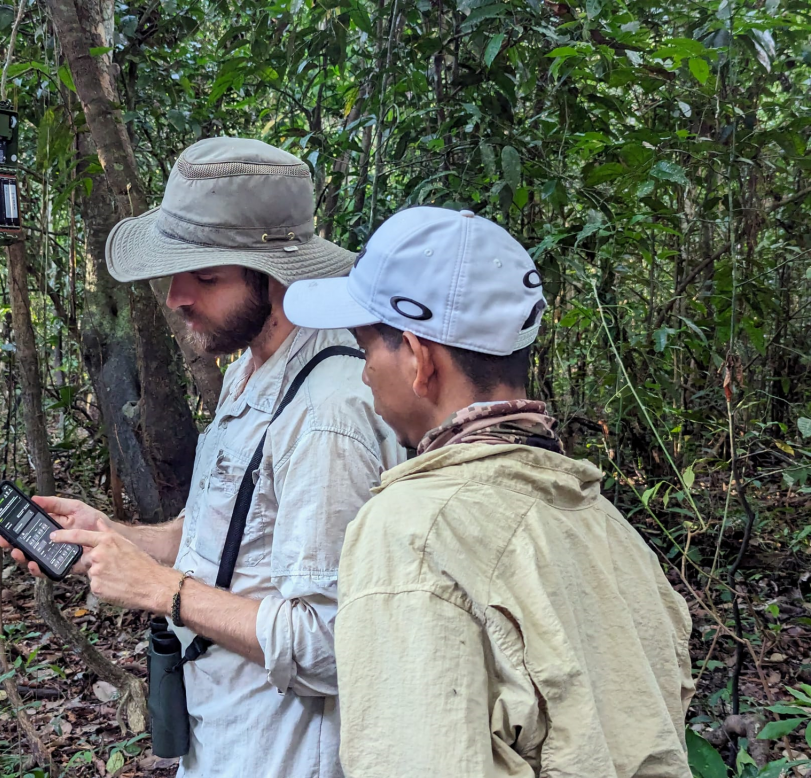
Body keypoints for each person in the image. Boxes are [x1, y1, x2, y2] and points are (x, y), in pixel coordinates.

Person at [0, 137, 404, 778]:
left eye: (207, 276)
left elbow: (331, 646)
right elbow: (225, 536)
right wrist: (110, 540)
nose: (177, 296)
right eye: (178, 271)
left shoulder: (327, 413)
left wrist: (160, 590)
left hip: (288, 750)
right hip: (226, 729)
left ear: (275, 278)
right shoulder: (251, 367)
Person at [283, 206, 695, 777]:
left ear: (420, 360)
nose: (363, 372)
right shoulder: (604, 520)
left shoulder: (411, 529)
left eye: (367, 347)